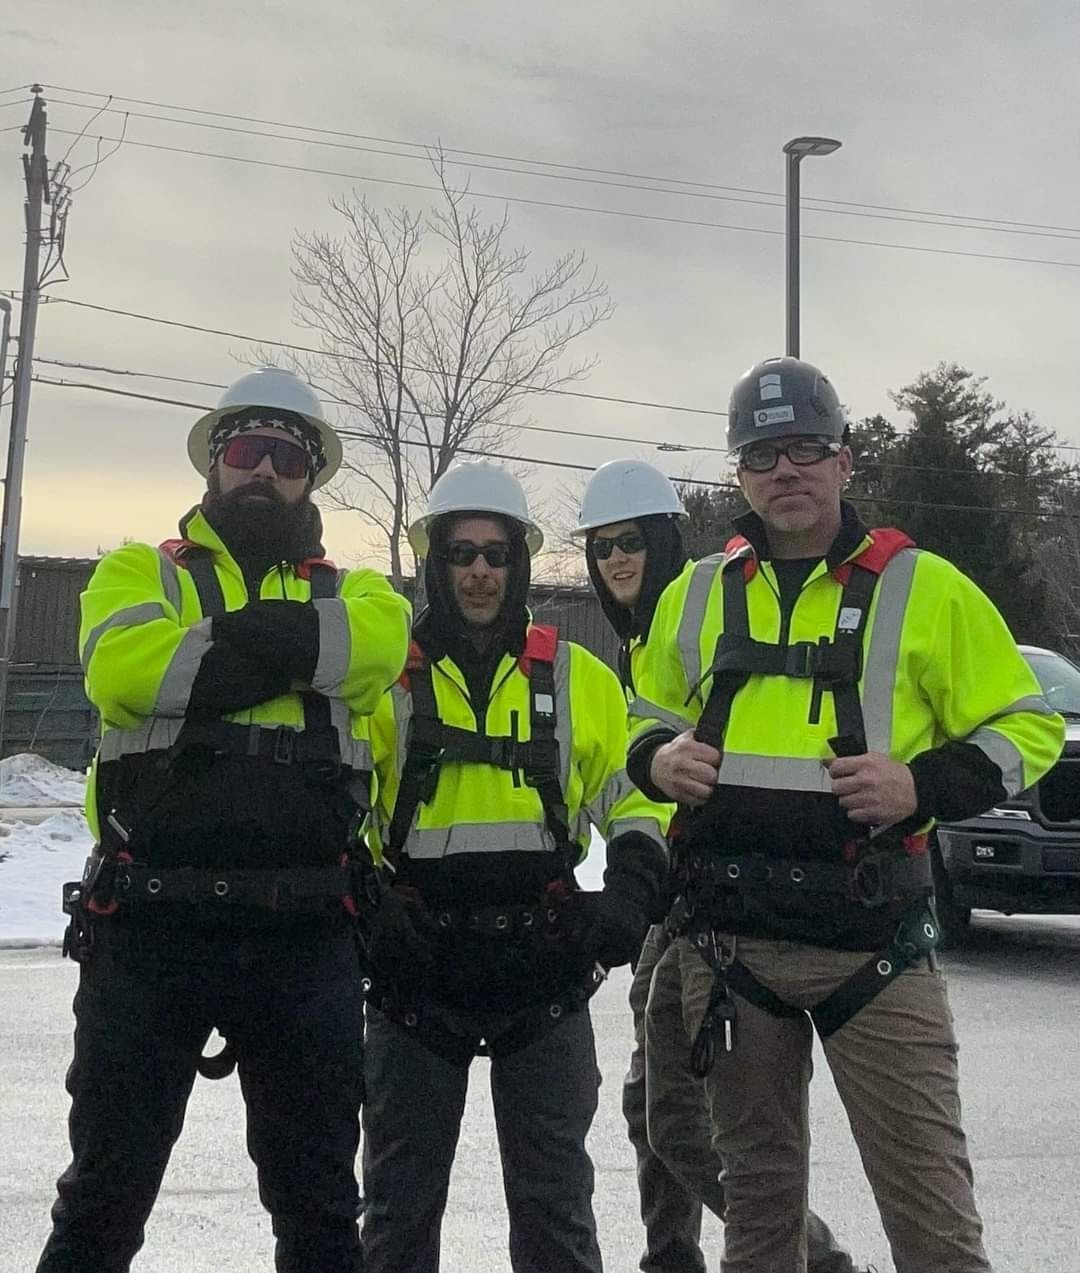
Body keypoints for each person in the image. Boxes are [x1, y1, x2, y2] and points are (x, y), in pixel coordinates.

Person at [628, 355, 1066, 1273]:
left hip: (876, 944)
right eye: (761, 455)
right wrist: (656, 757)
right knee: (759, 1228)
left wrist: (921, 785)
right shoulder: (700, 591)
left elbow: (1028, 725)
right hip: (733, 951)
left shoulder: (927, 587)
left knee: (934, 1224)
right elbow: (641, 712)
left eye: (804, 450)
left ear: (845, 461)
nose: (784, 471)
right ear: (738, 472)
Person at [37, 367, 411, 1273]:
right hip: (150, 929)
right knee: (102, 1200)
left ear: (311, 476)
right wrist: (298, 650)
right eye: (248, 450)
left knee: (321, 1213)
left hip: (308, 937)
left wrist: (216, 652)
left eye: (287, 456)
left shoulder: (364, 594)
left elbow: (380, 649)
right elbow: (127, 675)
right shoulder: (138, 569)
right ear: (215, 464)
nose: (265, 472)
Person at [359, 460, 671, 1273]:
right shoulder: (383, 681)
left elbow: (638, 796)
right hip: (416, 977)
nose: (479, 571)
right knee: (397, 1212)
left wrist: (628, 894)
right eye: (461, 552)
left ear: (521, 564)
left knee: (555, 1211)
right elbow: (338, 809)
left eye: (496, 554)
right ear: (436, 562)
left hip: (546, 972)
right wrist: (369, 909)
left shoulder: (576, 679)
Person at [576, 458, 859, 1273]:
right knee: (661, 1108)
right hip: (667, 901)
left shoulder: (696, 619)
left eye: (630, 541)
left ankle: (803, 1254)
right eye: (601, 548)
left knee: (675, 1112)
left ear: (663, 540)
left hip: (707, 905)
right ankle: (677, 1255)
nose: (616, 560)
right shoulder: (642, 642)